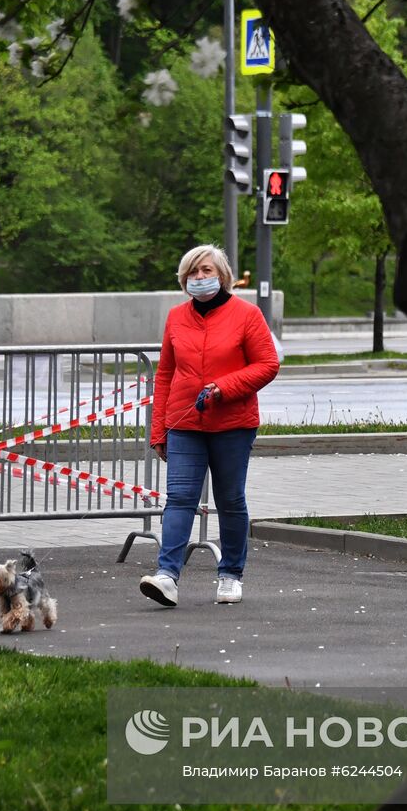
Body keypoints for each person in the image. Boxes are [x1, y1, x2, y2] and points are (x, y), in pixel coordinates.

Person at [140, 244, 280, 607]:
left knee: (230, 499)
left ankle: (230, 575)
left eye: (206, 270)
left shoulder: (247, 315)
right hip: (184, 423)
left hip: (233, 423)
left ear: (223, 276)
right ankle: (167, 576)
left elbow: (267, 364)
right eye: (192, 272)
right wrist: (159, 429)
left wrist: (224, 387)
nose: (199, 277)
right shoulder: (176, 317)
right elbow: (165, 374)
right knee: (179, 498)